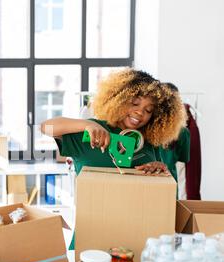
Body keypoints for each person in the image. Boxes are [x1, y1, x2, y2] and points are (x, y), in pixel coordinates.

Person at [41, 69, 187, 175]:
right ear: (119, 100)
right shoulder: (92, 131)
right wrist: (87, 124)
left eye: (148, 110)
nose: (140, 112)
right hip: (93, 215)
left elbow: (153, 183)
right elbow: (46, 127)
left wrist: (158, 169)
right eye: (135, 104)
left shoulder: (147, 141)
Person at [157, 82, 190, 183]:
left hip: (146, 181)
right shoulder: (183, 131)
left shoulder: (143, 126)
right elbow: (183, 158)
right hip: (170, 182)